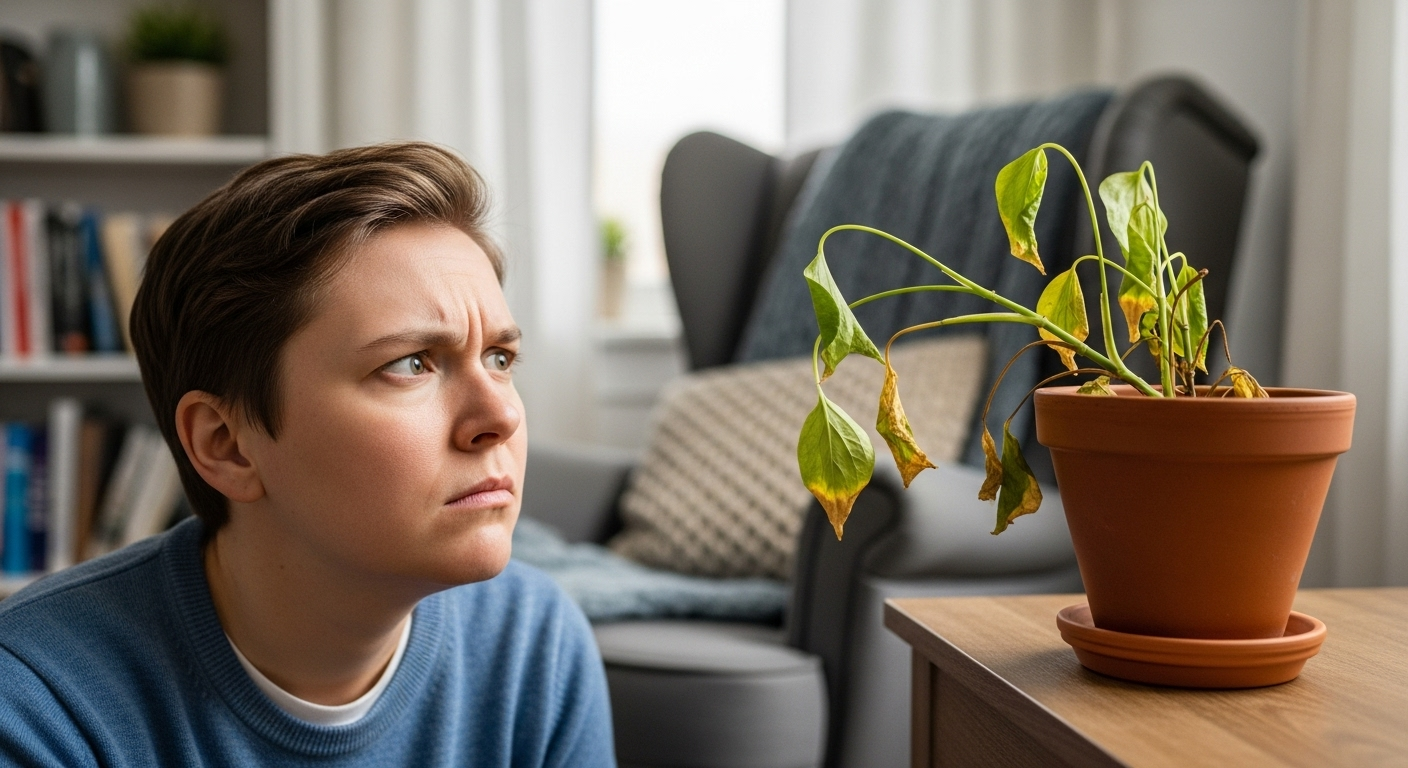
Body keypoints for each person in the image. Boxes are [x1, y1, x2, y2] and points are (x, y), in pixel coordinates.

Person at [0, 142, 616, 766]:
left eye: (500, 359)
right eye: (410, 364)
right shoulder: (35, 705)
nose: (503, 417)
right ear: (227, 446)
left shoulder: (534, 648)